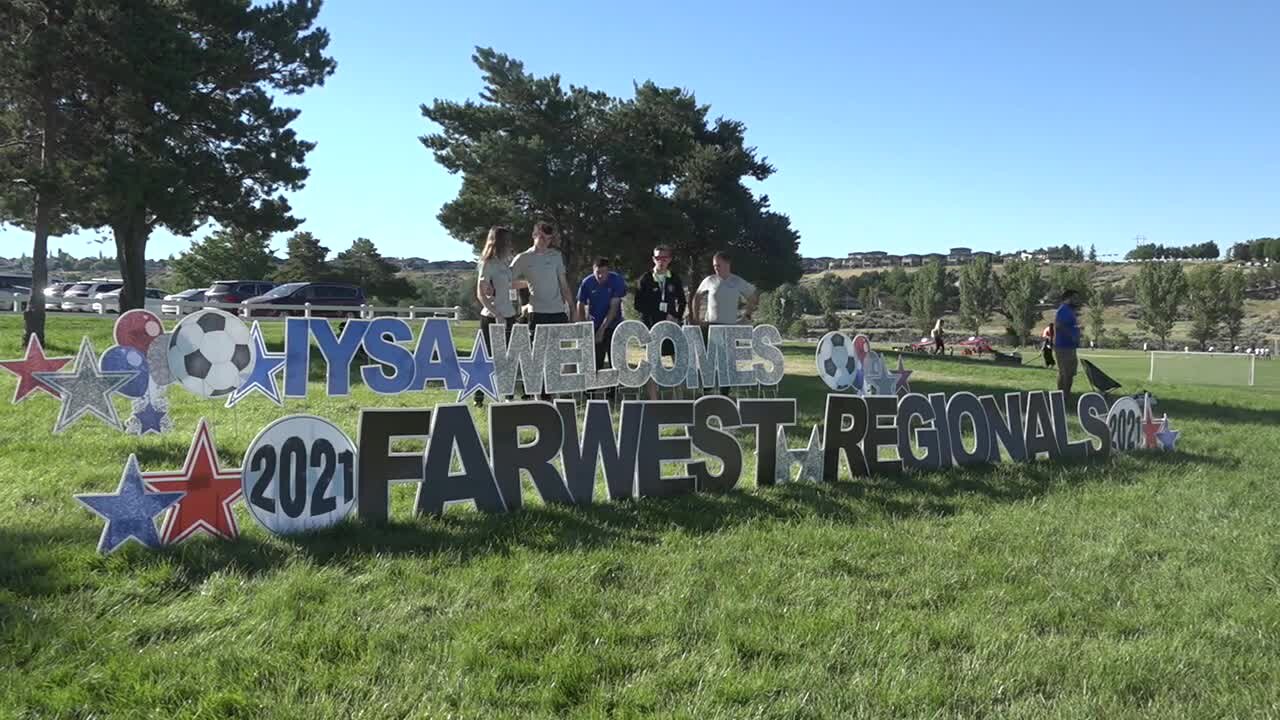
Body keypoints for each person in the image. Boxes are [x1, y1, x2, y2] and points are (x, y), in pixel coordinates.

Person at [510, 221, 574, 400]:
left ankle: (552, 396)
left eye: (549, 238)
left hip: (557, 312)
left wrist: (572, 309)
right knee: (537, 357)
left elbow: (563, 284)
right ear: (534, 235)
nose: (545, 241)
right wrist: (526, 283)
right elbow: (506, 280)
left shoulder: (556, 256)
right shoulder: (523, 258)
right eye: (542, 237)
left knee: (555, 357)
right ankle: (538, 399)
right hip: (537, 313)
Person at [634, 245, 688, 400]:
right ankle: (654, 400)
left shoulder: (674, 278)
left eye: (664, 258)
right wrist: (656, 312)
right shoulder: (645, 279)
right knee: (652, 363)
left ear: (670, 259)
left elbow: (682, 301)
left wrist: (676, 316)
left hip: (670, 327)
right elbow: (638, 305)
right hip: (651, 327)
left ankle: (679, 398)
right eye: (658, 258)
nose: (661, 261)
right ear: (653, 259)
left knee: (676, 362)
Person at [474, 226, 517, 406]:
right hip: (492, 318)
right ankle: (478, 397)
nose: (509, 244)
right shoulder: (487, 263)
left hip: (509, 315)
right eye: (506, 241)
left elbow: (509, 286)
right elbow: (481, 294)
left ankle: (508, 395)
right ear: (498, 242)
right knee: (487, 358)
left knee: (509, 357)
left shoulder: (505, 264)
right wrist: (496, 313)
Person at [576, 257, 627, 388]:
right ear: (593, 270)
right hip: (594, 324)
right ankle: (592, 390)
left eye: (603, 272)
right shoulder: (587, 282)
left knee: (614, 360)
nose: (600, 275)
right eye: (597, 272)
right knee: (595, 360)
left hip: (613, 325)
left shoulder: (616, 280)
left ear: (608, 271)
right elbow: (580, 304)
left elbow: (614, 307)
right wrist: (583, 326)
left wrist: (602, 330)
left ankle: (612, 392)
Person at [692, 251, 758, 331]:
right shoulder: (710, 280)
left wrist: (746, 316)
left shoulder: (737, 281)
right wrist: (697, 319)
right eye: (714, 266)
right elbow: (697, 297)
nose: (716, 268)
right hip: (711, 326)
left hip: (730, 327)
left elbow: (753, 298)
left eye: (718, 265)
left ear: (727, 264)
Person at [1053, 289, 1082, 397]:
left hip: (1070, 347)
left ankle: (1066, 395)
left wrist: (1077, 330)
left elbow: (1068, 326)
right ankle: (1061, 396)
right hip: (1063, 346)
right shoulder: (1063, 310)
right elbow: (1059, 325)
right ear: (1067, 298)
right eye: (1074, 298)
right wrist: (1071, 334)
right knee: (1064, 373)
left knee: (1070, 373)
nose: (1077, 300)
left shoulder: (1070, 311)